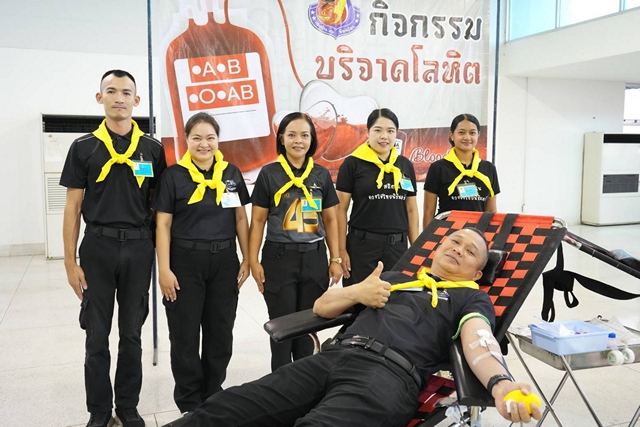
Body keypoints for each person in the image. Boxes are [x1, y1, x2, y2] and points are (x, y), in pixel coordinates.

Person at [162, 228, 542, 427]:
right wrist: (358, 291)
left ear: (477, 271)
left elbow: (479, 342)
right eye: (454, 241)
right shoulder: (394, 277)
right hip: (331, 358)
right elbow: (321, 307)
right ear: (437, 247)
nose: (458, 248)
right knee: (225, 409)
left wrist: (502, 385)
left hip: (388, 377)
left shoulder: (470, 298)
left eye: (470, 251)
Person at [61, 70, 167, 427]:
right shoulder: (83, 147)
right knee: (96, 336)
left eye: (125, 92)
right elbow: (73, 207)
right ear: (100, 97)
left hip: (138, 248)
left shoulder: (152, 148)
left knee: (132, 335)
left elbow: (160, 209)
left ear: (136, 100)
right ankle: (99, 411)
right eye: (111, 91)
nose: (118, 98)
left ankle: (127, 407)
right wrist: (69, 262)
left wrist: (163, 259)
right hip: (98, 248)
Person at [152, 112, 250, 414]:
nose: (204, 144)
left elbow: (240, 218)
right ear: (186, 140)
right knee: (184, 334)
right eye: (197, 138)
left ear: (218, 140)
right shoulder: (173, 176)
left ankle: (212, 393)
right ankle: (189, 401)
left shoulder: (231, 174)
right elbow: (163, 225)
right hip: (184, 262)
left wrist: (247, 257)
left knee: (220, 331)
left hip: (224, 261)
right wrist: (164, 269)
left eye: (210, 138)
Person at [249, 112, 342, 372]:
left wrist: (335, 258)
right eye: (291, 135)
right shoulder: (269, 174)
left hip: (314, 258)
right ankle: (279, 384)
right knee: (282, 328)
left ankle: (302, 383)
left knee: (307, 328)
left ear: (312, 140)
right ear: (282, 139)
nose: (298, 141)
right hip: (279, 258)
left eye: (304, 135)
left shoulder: (321, 175)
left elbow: (331, 219)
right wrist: (253, 260)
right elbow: (258, 220)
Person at [336, 108, 419, 287]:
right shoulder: (352, 163)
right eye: (378, 130)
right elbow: (340, 209)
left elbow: (411, 209)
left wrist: (415, 250)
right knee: (357, 299)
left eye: (390, 131)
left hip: (397, 248)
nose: (384, 136)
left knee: (396, 298)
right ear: (367, 132)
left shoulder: (405, 165)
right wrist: (341, 250)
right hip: (362, 248)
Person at [423, 113, 500, 228]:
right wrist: (427, 238)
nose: (467, 137)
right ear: (452, 135)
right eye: (461, 132)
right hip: (446, 233)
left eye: (472, 133)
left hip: (477, 234)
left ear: (478, 135)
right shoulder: (438, 168)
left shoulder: (489, 168)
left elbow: (491, 212)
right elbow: (428, 212)